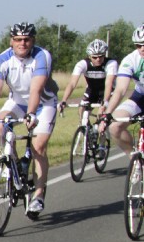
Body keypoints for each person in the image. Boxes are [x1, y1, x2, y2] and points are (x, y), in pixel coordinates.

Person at [0, 22, 58, 218]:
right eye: (18, 39)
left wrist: (32, 113)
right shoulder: (1, 60)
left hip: (43, 104)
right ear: (11, 41)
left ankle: (38, 195)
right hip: (17, 102)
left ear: (33, 40)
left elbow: (36, 89)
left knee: (38, 147)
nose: (22, 43)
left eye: (26, 39)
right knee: (1, 124)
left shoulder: (41, 56)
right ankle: (14, 165)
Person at [99, 25, 144, 155]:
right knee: (114, 126)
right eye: (138, 45)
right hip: (140, 96)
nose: (142, 48)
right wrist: (107, 114)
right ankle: (135, 161)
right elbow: (120, 90)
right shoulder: (130, 60)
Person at [58, 39, 118, 117]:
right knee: (81, 112)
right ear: (89, 56)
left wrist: (105, 102)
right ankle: (84, 124)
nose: (98, 59)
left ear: (104, 55)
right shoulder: (82, 64)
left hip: (108, 90)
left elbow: (109, 83)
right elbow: (72, 83)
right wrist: (64, 100)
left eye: (101, 56)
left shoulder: (111, 63)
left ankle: (102, 122)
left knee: (102, 114)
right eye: (94, 57)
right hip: (92, 90)